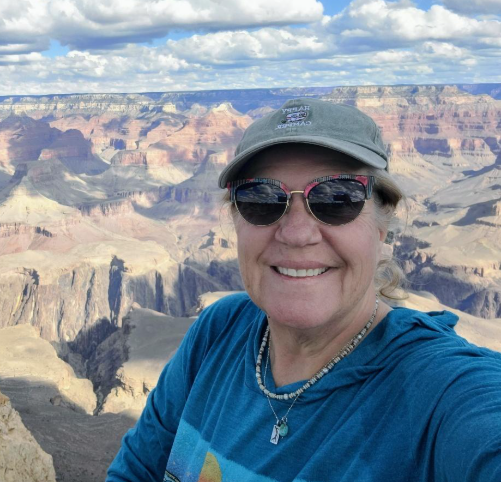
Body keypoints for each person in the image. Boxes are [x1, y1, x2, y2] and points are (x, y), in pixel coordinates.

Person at [106, 97, 501, 482]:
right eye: (261, 198)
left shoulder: (441, 389)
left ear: (382, 226)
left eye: (336, 198)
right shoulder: (218, 331)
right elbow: (137, 469)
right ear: (235, 221)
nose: (296, 233)